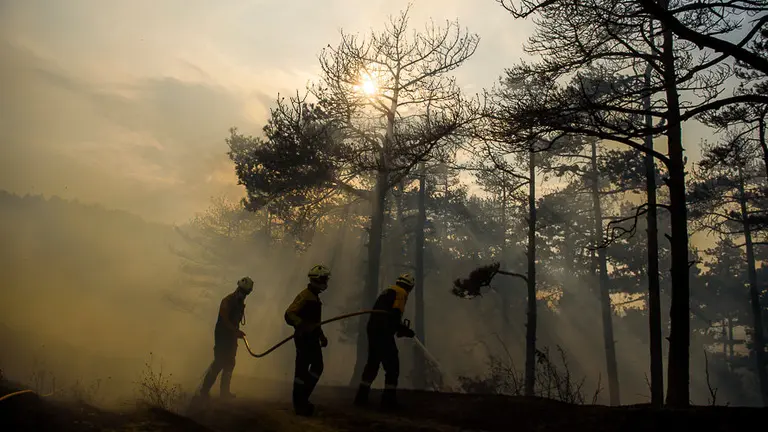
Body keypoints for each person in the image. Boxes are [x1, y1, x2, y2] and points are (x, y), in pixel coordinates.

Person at [353, 273, 416, 410]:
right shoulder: (401, 293)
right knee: (393, 366)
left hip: (373, 329)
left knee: (373, 363)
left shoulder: (388, 291)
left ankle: (361, 397)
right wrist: (403, 330)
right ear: (409, 287)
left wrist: (398, 328)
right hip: (383, 332)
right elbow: (394, 315)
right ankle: (388, 402)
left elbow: (387, 314)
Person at [284, 264, 331, 416]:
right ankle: (299, 404)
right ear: (316, 279)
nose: (325, 282)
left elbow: (315, 323)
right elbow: (289, 314)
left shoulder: (315, 298)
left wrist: (322, 336)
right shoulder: (304, 296)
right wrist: (301, 325)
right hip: (303, 338)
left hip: (313, 338)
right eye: (324, 279)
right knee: (302, 370)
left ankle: (303, 398)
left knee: (317, 366)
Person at [199, 276, 253, 399]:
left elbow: (234, 322)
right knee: (219, 363)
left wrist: (236, 333)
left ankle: (224, 393)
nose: (244, 295)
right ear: (238, 288)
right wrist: (235, 331)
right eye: (243, 292)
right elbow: (224, 319)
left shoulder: (240, 304)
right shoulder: (227, 301)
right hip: (222, 335)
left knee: (230, 363)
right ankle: (204, 391)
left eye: (246, 293)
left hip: (231, 337)